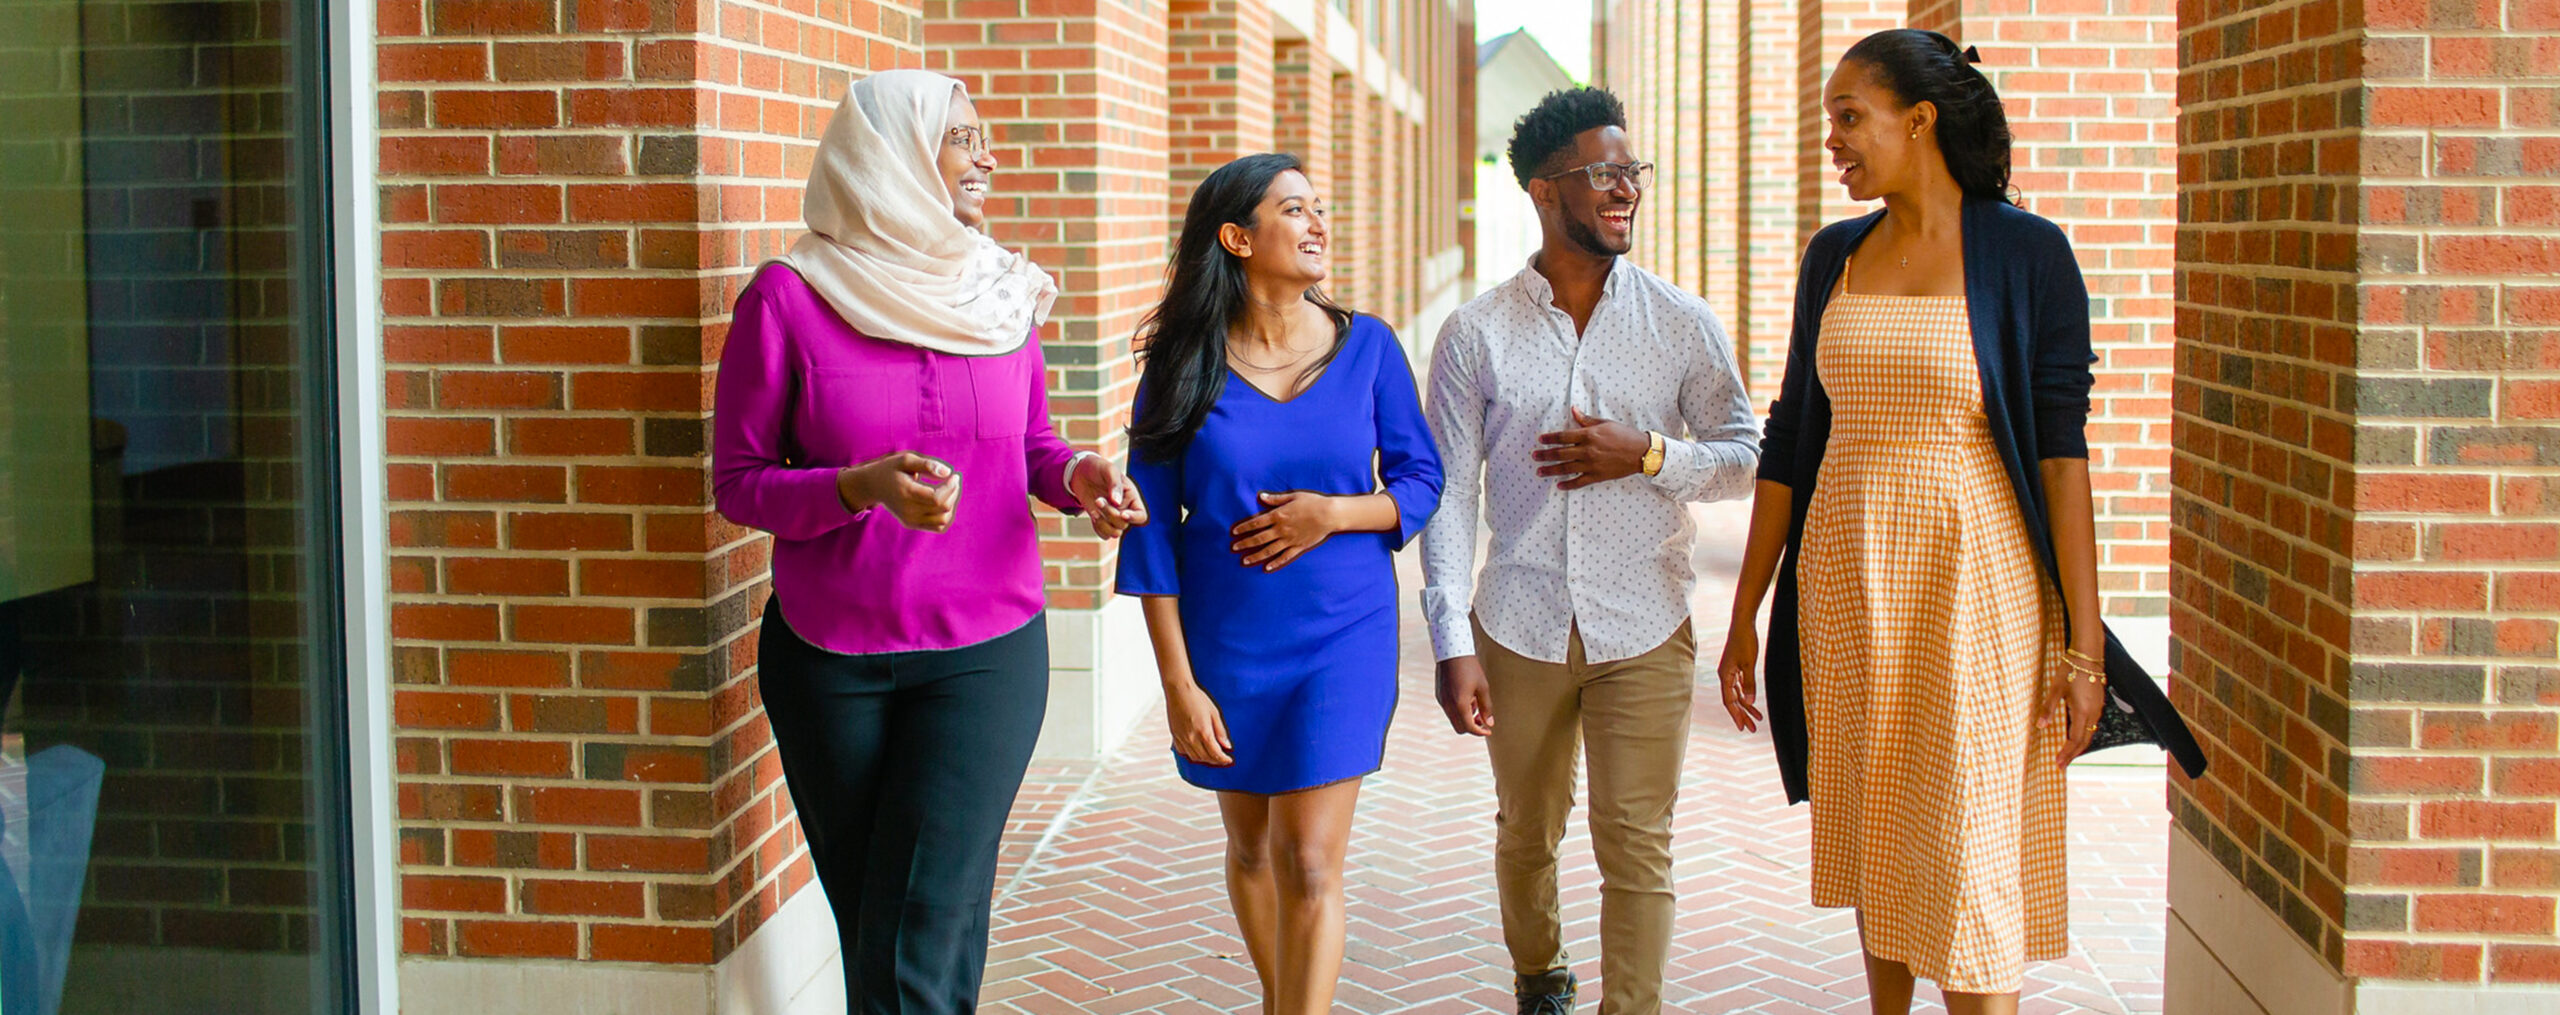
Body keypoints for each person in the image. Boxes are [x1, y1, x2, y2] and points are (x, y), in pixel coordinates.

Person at [1714, 30, 2197, 1015]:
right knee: (1876, 821)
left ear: (1919, 120)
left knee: (1970, 841)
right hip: (1846, 580)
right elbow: (1794, 431)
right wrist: (1747, 606)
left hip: (1974, 582)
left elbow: (2062, 457)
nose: (1832, 142)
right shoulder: (1833, 256)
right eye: (1827, 123)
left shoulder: (2028, 255)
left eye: (1848, 117)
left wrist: (2082, 646)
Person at [709, 69, 1146, 1014]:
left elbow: (1033, 444)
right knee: (889, 920)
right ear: (891, 157)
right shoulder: (788, 299)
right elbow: (738, 483)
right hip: (829, 661)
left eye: (982, 135)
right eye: (961, 137)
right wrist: (853, 489)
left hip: (984, 656)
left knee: (920, 917)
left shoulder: (998, 292)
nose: (986, 154)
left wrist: (1081, 477)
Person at [1420, 87, 1761, 1015]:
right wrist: (1451, 639)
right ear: (1541, 189)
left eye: (1631, 171)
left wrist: (1647, 453)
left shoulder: (1680, 322)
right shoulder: (1475, 333)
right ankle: (1541, 977)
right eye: (1602, 173)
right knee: (1528, 832)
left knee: (1637, 839)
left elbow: (1746, 456)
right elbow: (1451, 497)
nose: (1624, 189)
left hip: (1645, 621)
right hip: (1520, 625)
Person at [1113, 153, 1443, 1015]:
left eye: (1317, 209)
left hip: (1345, 633)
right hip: (1228, 642)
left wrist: (1334, 515)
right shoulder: (1182, 365)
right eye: (1293, 209)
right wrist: (1178, 686)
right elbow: (1151, 542)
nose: (1316, 224)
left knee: (1308, 857)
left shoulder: (1367, 346)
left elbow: (1421, 480)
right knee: (1253, 849)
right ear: (1237, 237)